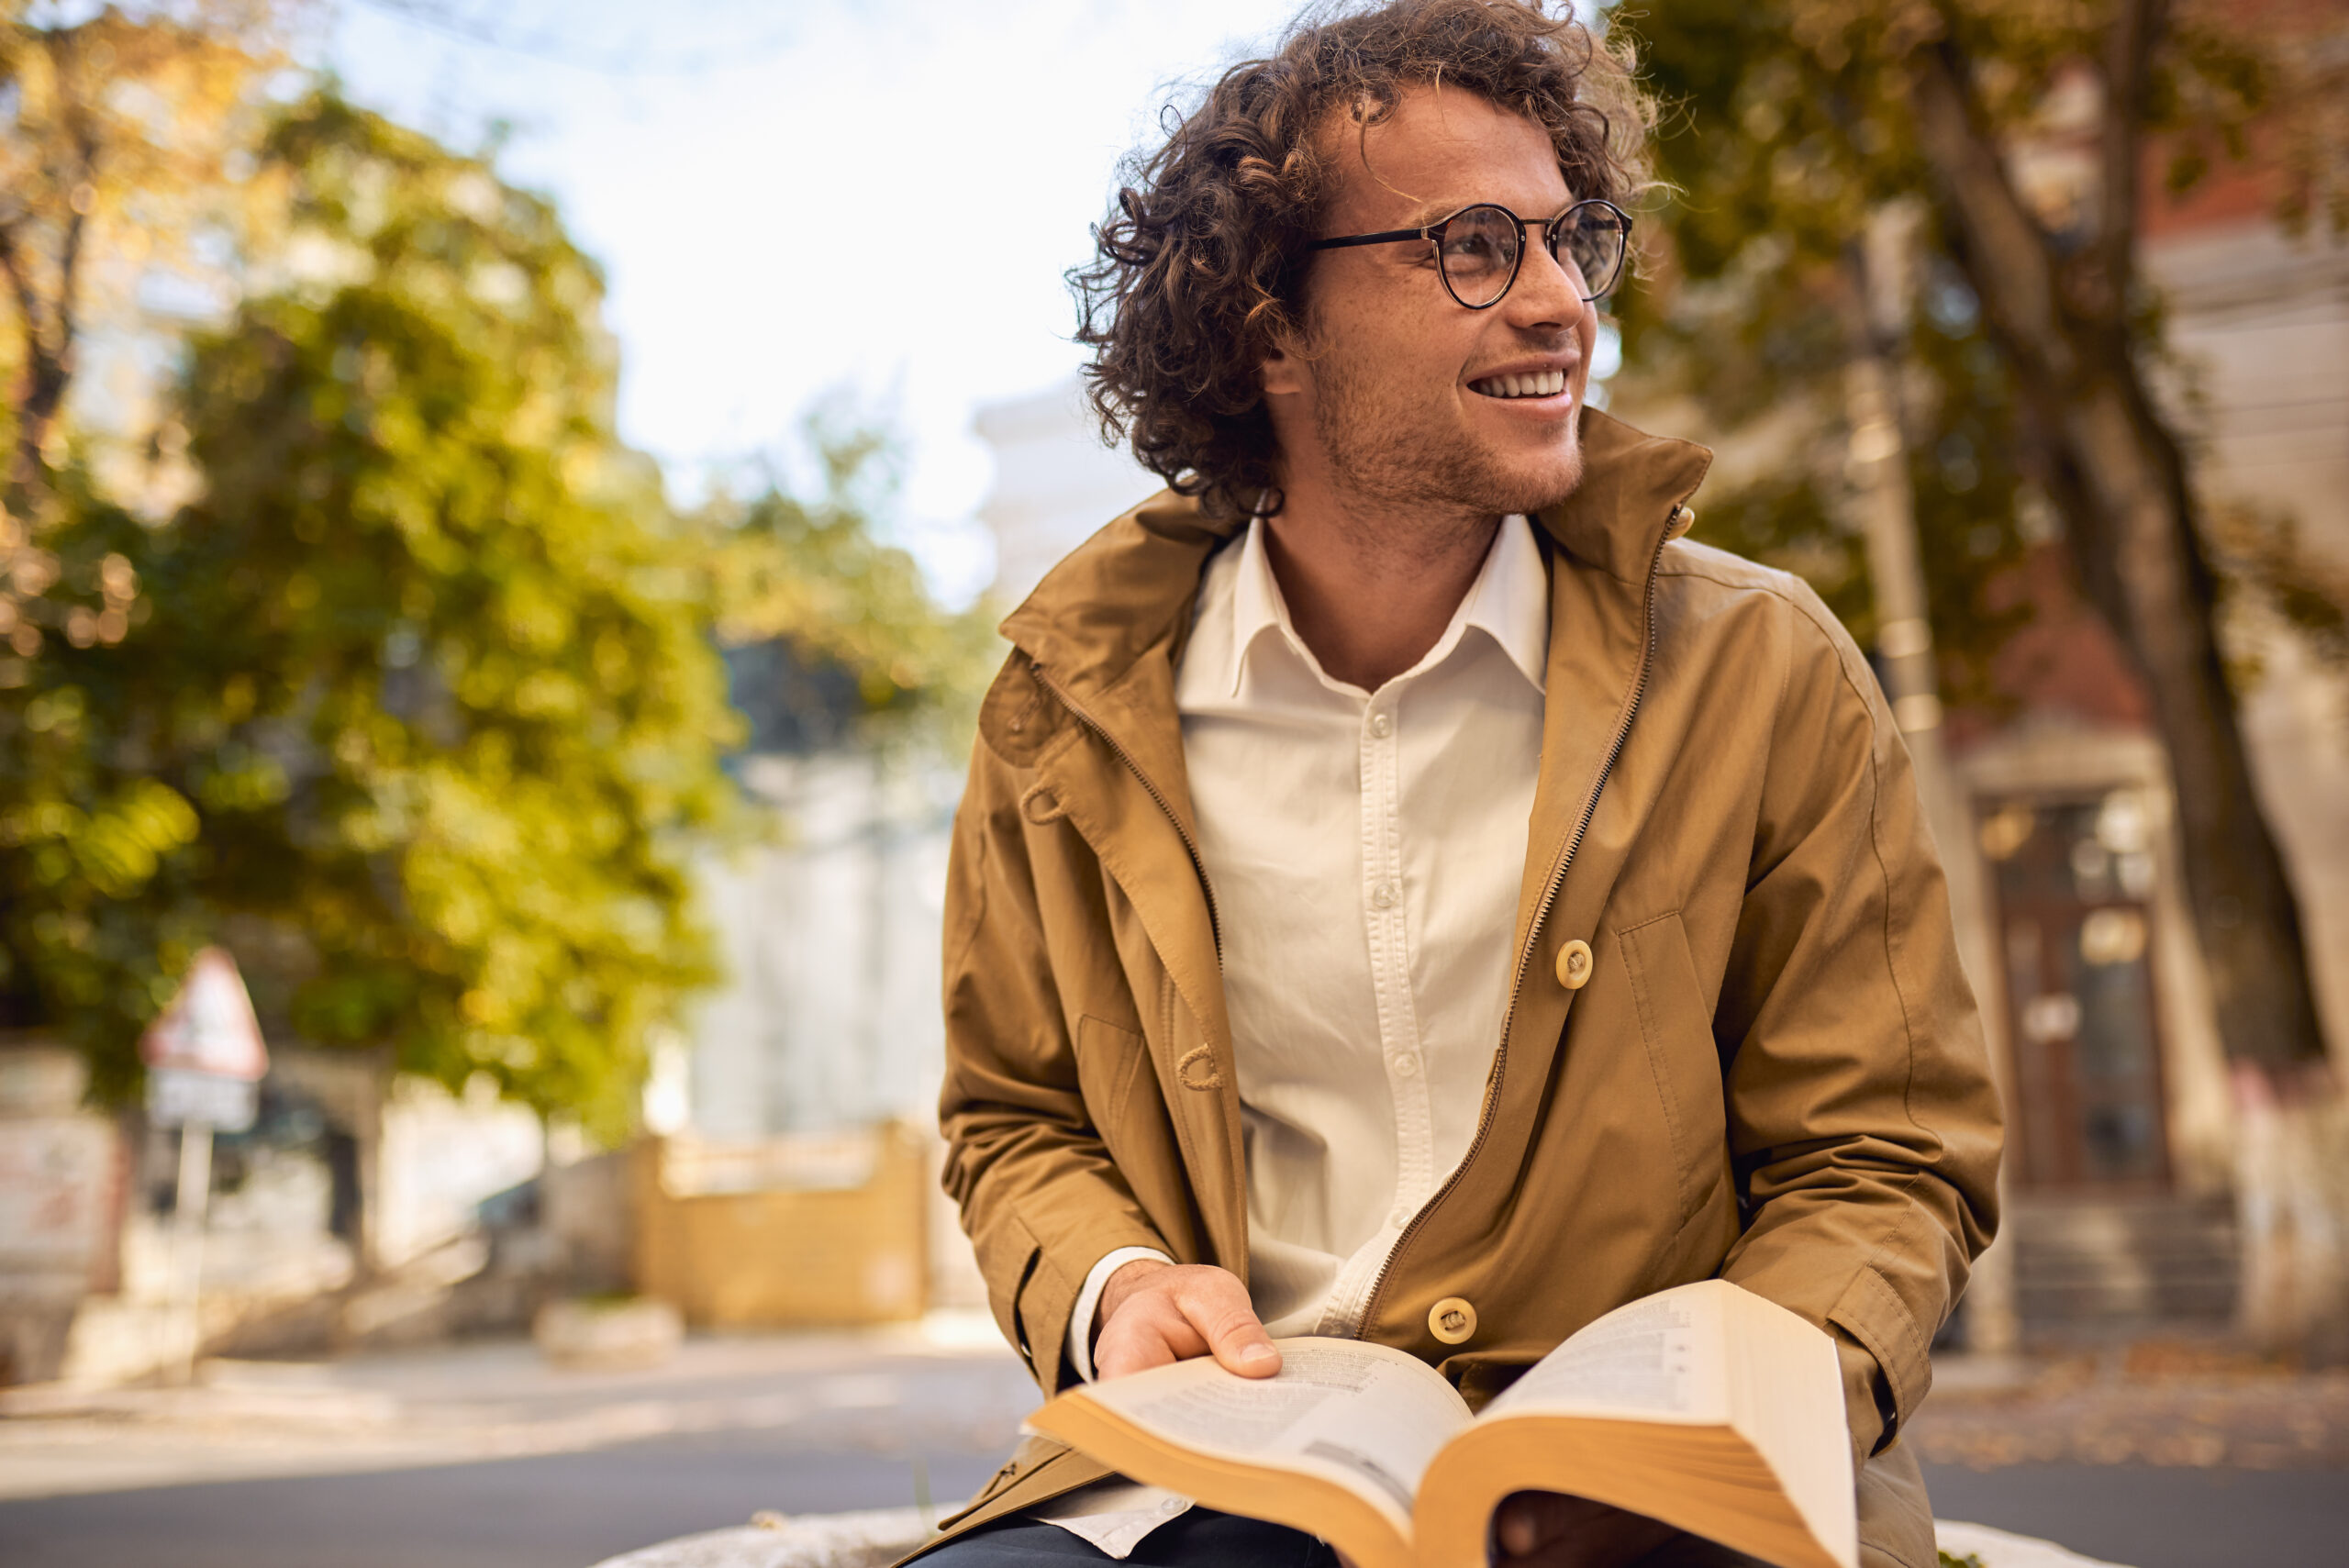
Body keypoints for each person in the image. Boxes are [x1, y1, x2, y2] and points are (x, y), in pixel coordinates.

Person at [920, 3, 2002, 1564]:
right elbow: (1017, 1116)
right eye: (1476, 247)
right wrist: (1112, 1289)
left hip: (1670, 1499)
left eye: (1576, 240)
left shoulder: (1761, 671)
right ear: (1267, 328)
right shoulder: (1059, 716)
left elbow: (1883, 1153)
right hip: (1223, 1483)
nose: (1562, 302)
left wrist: (1732, 1417)